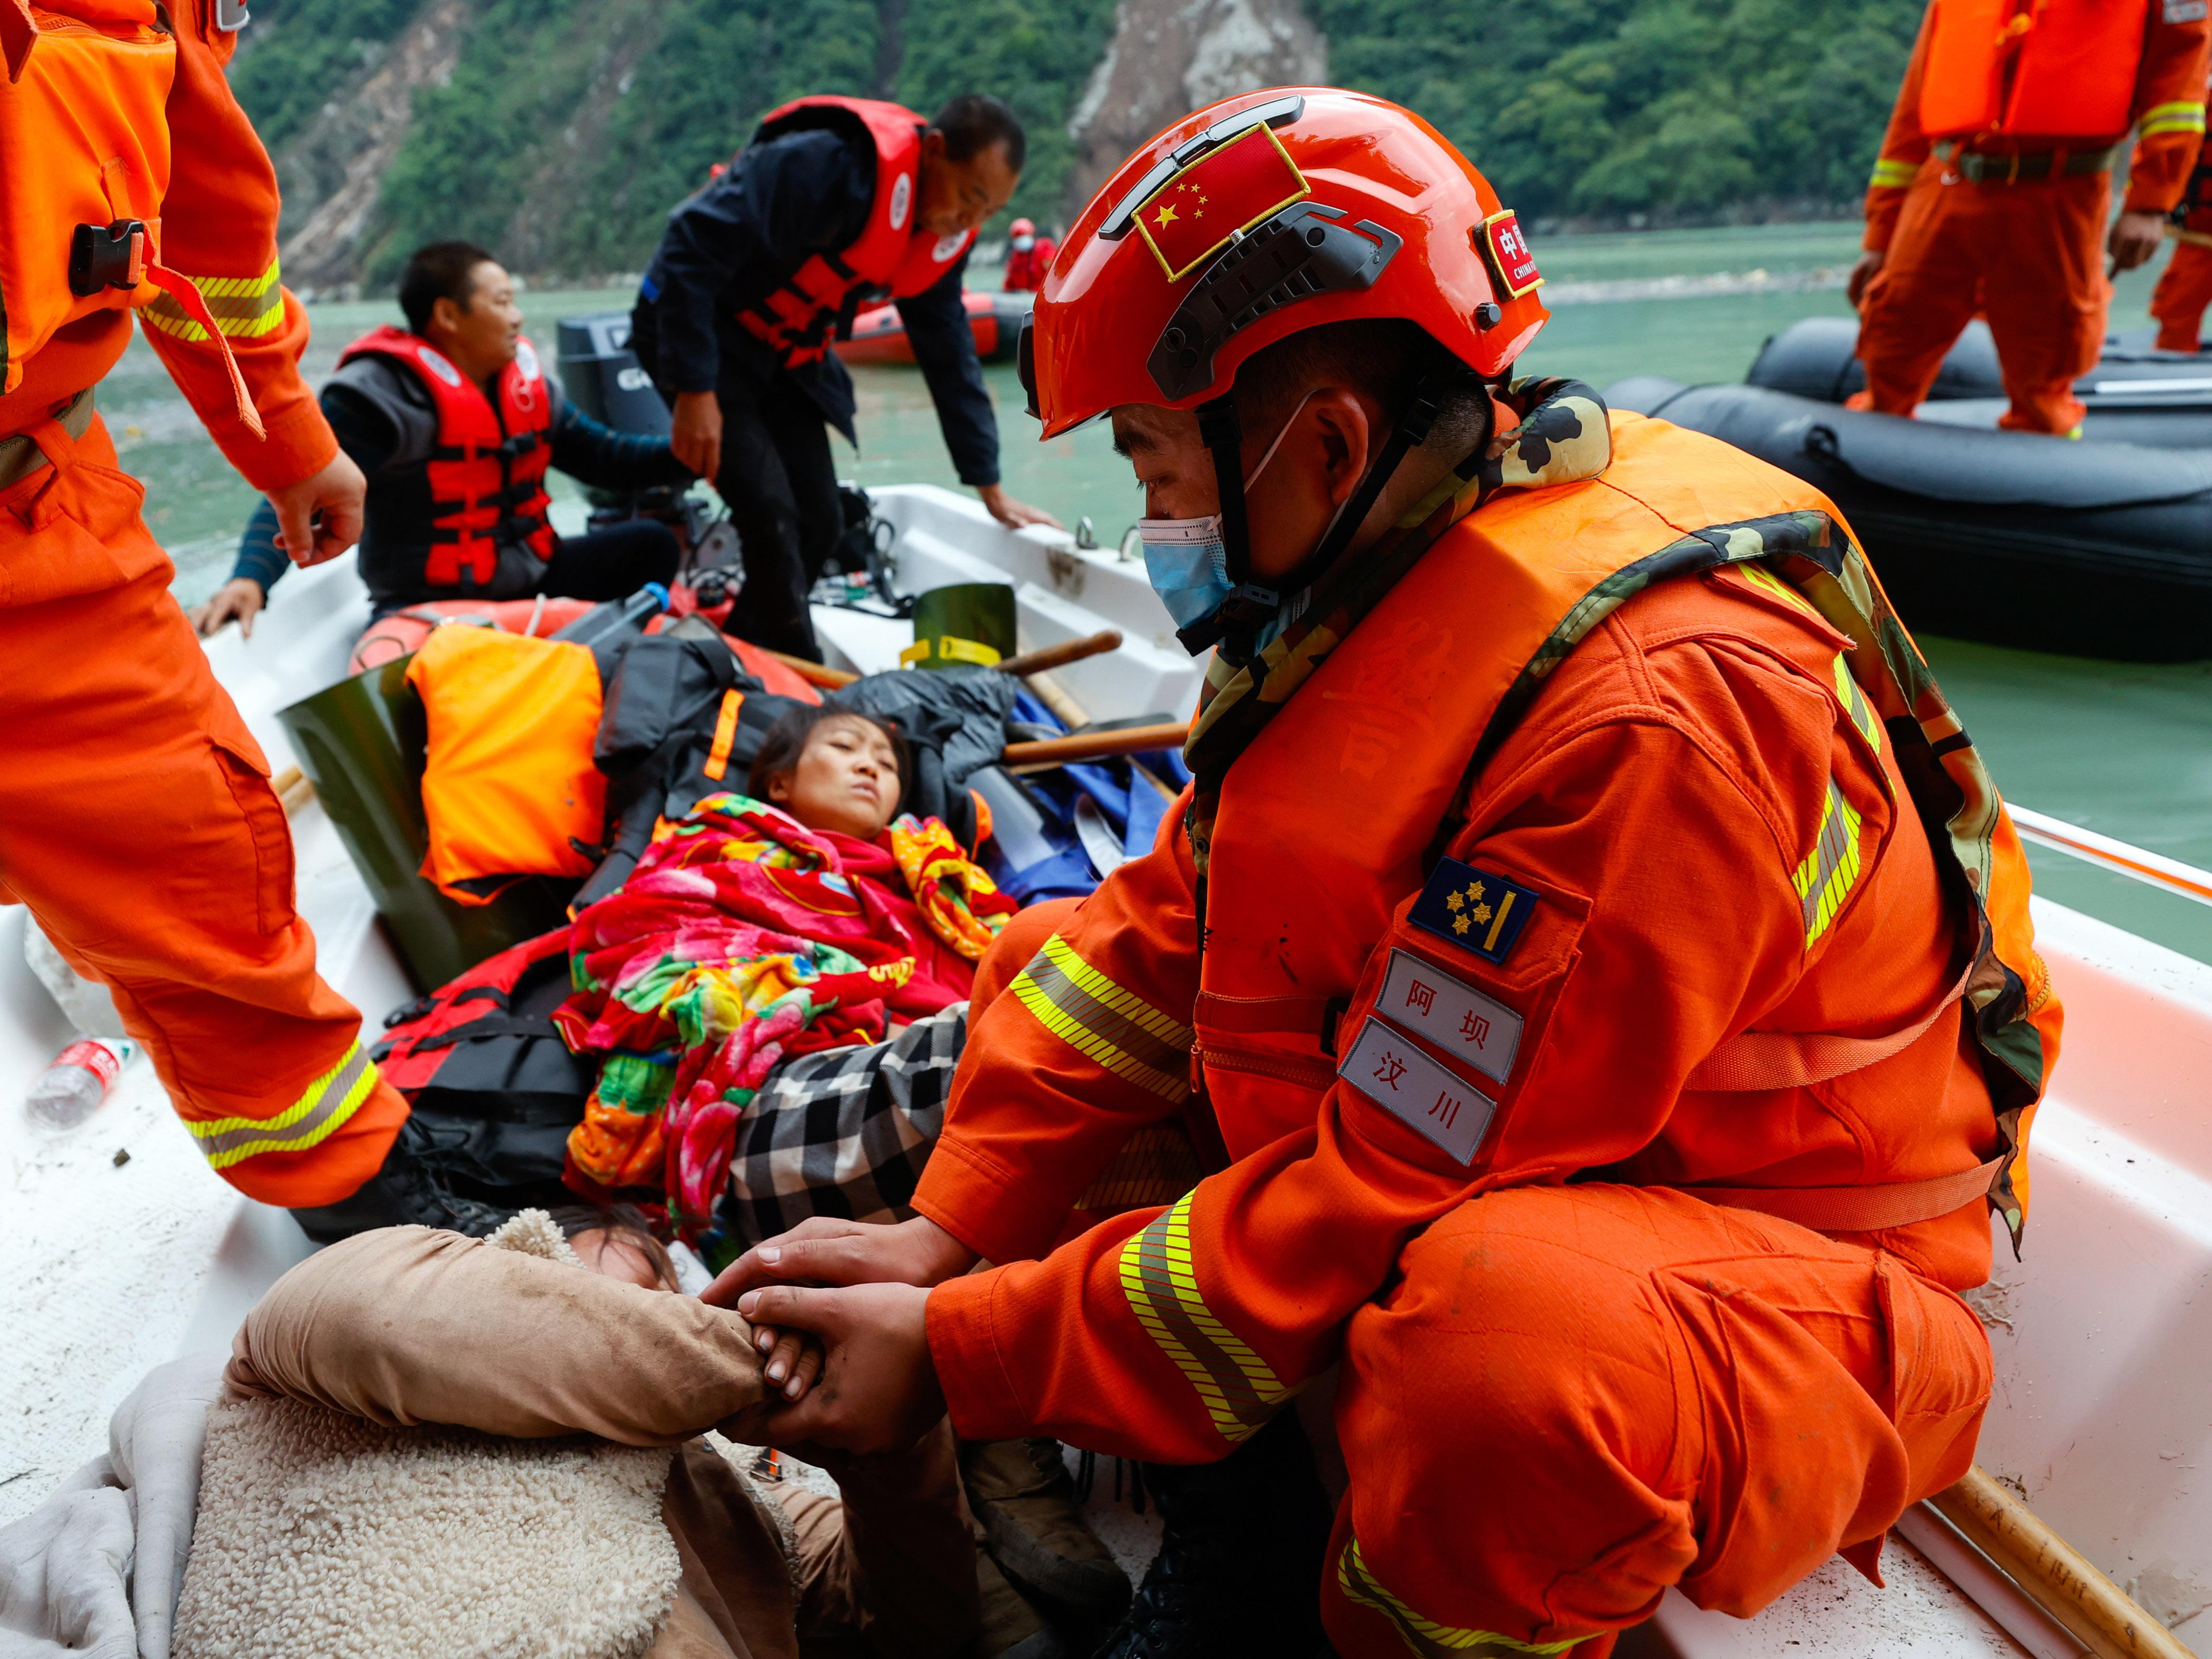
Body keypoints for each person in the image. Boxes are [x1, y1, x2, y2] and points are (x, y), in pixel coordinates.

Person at [704, 88, 2065, 1659]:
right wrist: (944, 1234)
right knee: (1043, 965)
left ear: (1329, 443)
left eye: (1153, 466)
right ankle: (1238, 1510)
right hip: (1524, 1141)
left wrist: (959, 1355)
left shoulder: (1649, 715)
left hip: (1783, 1257)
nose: (1149, 524)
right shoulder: (1389, 574)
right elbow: (1164, 935)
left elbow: (1391, 1181)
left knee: (1503, 1351)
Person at [0, 0, 416, 1215]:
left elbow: (205, 213)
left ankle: (351, 1193)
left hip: (39, 512)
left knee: (203, 849)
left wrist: (287, 434)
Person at [631, 93, 1059, 660]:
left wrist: (989, 484)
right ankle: (798, 675)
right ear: (934, 152)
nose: (969, 223)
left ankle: (740, 653)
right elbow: (690, 238)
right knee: (770, 511)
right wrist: (694, 389)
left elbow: (950, 355)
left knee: (821, 519)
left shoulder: (938, 239)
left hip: (780, 354)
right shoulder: (826, 165)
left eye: (989, 214)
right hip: (694, 334)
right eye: (968, 199)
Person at [190, 241, 694, 636]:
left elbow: (606, 458)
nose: (517, 317)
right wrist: (250, 578)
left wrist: (699, 450)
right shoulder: (376, 398)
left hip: (534, 577)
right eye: (502, 302)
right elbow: (302, 486)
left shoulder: (523, 387)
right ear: (449, 316)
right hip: (429, 604)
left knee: (650, 545)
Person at [1849, 0, 2209, 434]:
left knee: (2046, 363)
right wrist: (1880, 234)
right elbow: (1912, 110)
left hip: (2058, 193)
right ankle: (1873, 440)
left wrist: (2150, 203)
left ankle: (2045, 443)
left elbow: (2178, 86)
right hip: (1945, 180)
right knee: (1893, 338)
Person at [2151, 114, 2212, 351]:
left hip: (2199, 238)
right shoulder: (2197, 105)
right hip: (2199, 238)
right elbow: (2162, 153)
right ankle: (2171, 362)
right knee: (2176, 314)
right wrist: (2151, 207)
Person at [1001, 219, 1056, 292]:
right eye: (1017, 237)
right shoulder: (1015, 257)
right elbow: (1009, 284)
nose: (1021, 239)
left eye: (1024, 235)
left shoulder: (1043, 248)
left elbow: (1055, 271)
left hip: (1045, 294)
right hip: (1025, 297)